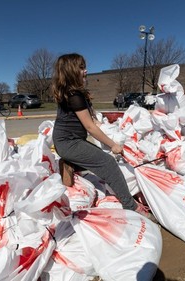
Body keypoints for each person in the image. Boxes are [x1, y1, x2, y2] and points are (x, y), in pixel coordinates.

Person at [51, 53, 155, 221]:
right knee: (108, 163)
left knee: (98, 160)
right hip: (68, 143)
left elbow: (91, 121)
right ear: (71, 71)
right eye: (81, 68)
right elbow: (90, 127)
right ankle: (131, 205)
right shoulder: (74, 96)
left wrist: (108, 128)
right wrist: (113, 144)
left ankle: (71, 165)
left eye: (84, 67)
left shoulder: (74, 94)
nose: (85, 71)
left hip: (70, 141)